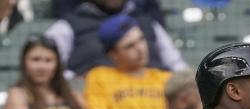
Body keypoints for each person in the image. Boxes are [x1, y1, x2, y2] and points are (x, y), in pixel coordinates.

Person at [83, 13, 171, 109]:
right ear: (113, 55)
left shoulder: (166, 78)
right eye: (130, 46)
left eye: (141, 39)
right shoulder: (100, 76)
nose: (140, 48)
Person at [44, 0, 186, 77]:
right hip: (95, 100)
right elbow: (48, 67)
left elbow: (177, 65)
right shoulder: (68, 25)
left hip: (156, 96)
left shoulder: (148, 22)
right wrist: (76, 83)